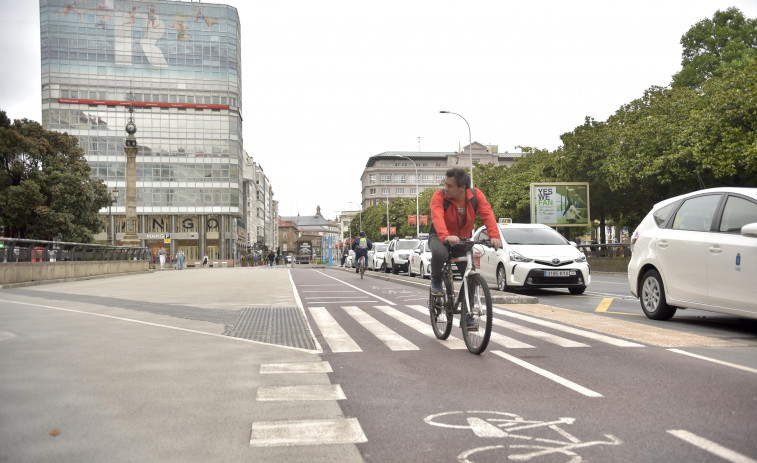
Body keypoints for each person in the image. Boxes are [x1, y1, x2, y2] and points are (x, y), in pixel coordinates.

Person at [429, 168, 502, 329]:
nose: (446, 188)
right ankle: (435, 279)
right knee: (440, 254)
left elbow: (487, 214)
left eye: (450, 186)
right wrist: (445, 236)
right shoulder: (439, 196)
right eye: (445, 184)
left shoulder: (476, 196)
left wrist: (494, 236)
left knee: (470, 275)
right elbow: (437, 217)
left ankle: (467, 315)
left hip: (462, 239)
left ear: (462, 187)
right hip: (440, 236)